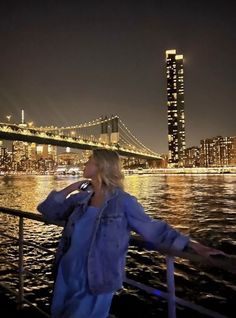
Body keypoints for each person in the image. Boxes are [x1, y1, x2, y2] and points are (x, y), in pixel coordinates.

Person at [37, 149, 224, 318]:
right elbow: (48, 210)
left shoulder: (123, 202)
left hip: (96, 276)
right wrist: (71, 188)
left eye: (90, 161)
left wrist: (192, 245)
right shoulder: (81, 199)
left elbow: (153, 229)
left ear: (101, 166)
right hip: (67, 270)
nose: (84, 164)